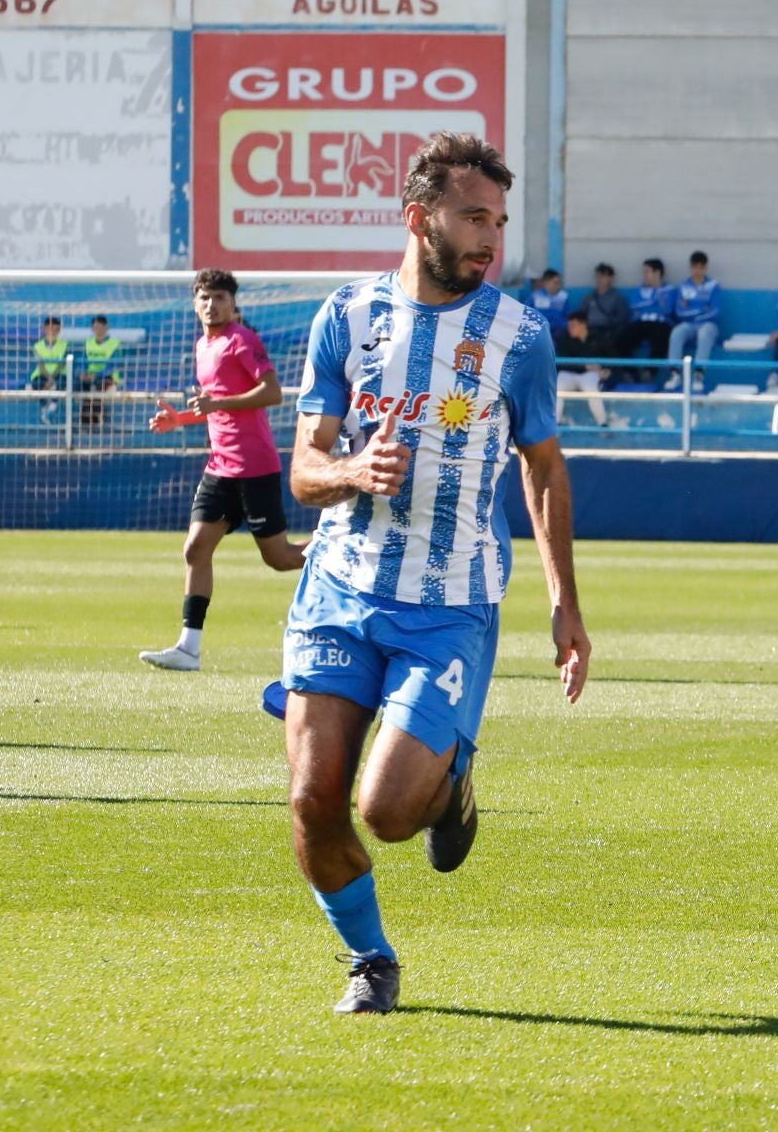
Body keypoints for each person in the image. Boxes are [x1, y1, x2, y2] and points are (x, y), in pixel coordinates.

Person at [275, 132, 590, 1014]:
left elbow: (542, 467)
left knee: (385, 812)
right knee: (312, 799)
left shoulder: (519, 336)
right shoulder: (346, 316)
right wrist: (349, 473)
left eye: (498, 219)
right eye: (473, 217)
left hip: (450, 604)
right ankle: (369, 960)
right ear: (419, 219)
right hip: (339, 591)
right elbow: (303, 467)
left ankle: (450, 785)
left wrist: (564, 605)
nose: (491, 239)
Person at [139, 269, 307, 671]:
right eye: (204, 297)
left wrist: (217, 405)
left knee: (280, 558)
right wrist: (181, 420)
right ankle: (188, 648)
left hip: (254, 466)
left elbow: (272, 392)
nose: (211, 304)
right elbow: (215, 408)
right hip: (221, 467)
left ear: (233, 303)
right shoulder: (203, 346)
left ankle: (336, 546)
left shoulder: (242, 340)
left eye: (218, 297)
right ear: (195, 303)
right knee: (195, 548)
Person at [665, 251, 721, 389]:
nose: (697, 270)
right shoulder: (683, 286)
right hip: (689, 325)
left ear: (705, 268)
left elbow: (714, 312)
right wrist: (702, 309)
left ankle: (698, 375)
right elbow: (679, 312)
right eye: (695, 267)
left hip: (709, 325)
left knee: (705, 333)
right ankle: (675, 373)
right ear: (691, 267)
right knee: (677, 332)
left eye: (701, 267)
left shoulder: (713, 286)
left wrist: (690, 308)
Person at [626, 258, 674, 380]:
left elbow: (667, 309)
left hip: (660, 323)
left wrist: (647, 304)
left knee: (662, 336)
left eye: (647, 272)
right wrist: (654, 302)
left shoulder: (669, 290)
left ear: (657, 273)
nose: (644, 275)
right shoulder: (639, 289)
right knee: (621, 337)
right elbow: (635, 306)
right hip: (641, 323)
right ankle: (629, 372)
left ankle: (649, 372)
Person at [78, 314, 123, 426]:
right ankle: (85, 419)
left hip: (109, 377)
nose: (98, 330)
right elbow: (82, 362)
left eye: (101, 327)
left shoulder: (115, 344)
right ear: (92, 329)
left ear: (107, 328)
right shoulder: (88, 343)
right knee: (81, 384)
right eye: (96, 327)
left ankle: (96, 417)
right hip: (90, 376)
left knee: (97, 385)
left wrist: (97, 375)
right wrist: (82, 373)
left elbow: (114, 365)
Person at [580, 263, 631, 361]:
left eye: (603, 276)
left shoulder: (617, 298)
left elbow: (623, 318)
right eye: (598, 276)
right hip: (590, 330)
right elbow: (582, 316)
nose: (599, 280)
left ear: (610, 279)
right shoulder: (589, 297)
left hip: (608, 331)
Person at [29, 316, 67, 422]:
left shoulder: (64, 345)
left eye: (56, 329)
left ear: (59, 331)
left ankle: (52, 407)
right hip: (43, 375)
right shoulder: (38, 346)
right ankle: (44, 408)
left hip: (58, 375)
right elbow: (40, 365)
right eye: (50, 329)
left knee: (61, 382)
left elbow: (61, 365)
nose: (53, 332)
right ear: (44, 329)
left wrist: (52, 379)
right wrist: (49, 379)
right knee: (37, 383)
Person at [526, 269, 570, 342]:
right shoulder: (535, 296)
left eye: (559, 283)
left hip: (559, 334)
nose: (558, 285)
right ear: (546, 282)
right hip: (539, 334)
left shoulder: (563, 297)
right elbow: (526, 314)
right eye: (555, 282)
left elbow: (567, 316)